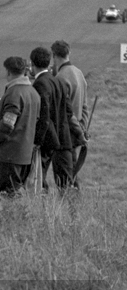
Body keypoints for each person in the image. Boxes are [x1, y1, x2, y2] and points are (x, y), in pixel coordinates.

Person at [0, 56, 40, 197]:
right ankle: (17, 217)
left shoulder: (14, 93)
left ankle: (12, 218)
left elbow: (8, 123)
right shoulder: (33, 93)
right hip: (24, 153)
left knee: (9, 194)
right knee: (17, 192)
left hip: (9, 153)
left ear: (8, 72)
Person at [29, 46, 84, 193]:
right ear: (49, 62)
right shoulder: (57, 81)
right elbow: (68, 111)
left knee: (39, 182)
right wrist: (79, 133)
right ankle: (72, 213)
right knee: (66, 184)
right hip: (65, 139)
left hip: (49, 141)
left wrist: (37, 141)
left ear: (32, 64)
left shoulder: (40, 83)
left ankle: (46, 211)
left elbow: (44, 115)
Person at [51, 40, 89, 187]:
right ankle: (74, 207)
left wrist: (78, 130)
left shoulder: (60, 77)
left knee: (64, 179)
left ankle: (69, 208)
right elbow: (84, 105)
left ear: (54, 56)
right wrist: (82, 127)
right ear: (69, 53)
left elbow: (65, 111)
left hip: (65, 133)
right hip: (77, 128)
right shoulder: (78, 73)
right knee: (72, 173)